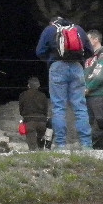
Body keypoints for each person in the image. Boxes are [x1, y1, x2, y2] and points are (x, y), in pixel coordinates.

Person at [35, 16, 93, 149]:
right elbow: (89, 51)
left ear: (52, 22)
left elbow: (39, 51)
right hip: (77, 67)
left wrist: (51, 60)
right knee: (80, 107)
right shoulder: (78, 29)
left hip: (57, 67)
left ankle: (60, 144)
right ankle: (86, 145)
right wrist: (79, 59)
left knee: (59, 107)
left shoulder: (49, 30)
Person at [84, 29, 103, 147]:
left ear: (96, 40)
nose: (85, 42)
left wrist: (88, 87)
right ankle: (91, 145)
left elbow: (100, 74)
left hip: (99, 93)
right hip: (88, 94)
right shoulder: (89, 57)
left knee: (101, 120)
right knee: (88, 121)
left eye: (88, 39)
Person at [18, 76, 50, 150]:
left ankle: (33, 153)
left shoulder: (23, 95)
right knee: (41, 141)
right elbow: (46, 110)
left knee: (32, 147)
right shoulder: (43, 95)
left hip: (29, 121)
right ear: (38, 85)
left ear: (28, 85)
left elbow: (21, 110)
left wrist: (25, 115)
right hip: (42, 121)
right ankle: (42, 150)